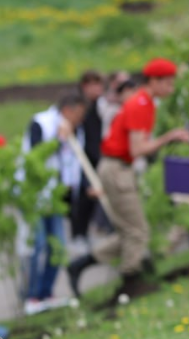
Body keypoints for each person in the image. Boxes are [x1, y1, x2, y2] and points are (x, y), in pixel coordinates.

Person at [68, 59, 189, 301]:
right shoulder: (141, 104)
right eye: (168, 83)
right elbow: (137, 149)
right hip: (117, 169)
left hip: (118, 168)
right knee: (137, 231)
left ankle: (82, 264)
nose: (171, 88)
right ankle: (129, 285)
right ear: (153, 82)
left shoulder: (143, 102)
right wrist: (170, 137)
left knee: (129, 231)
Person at [23, 94, 87, 315]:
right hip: (36, 193)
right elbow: (35, 155)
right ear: (69, 110)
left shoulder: (75, 129)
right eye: (79, 114)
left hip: (56, 196)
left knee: (57, 245)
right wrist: (58, 140)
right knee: (39, 245)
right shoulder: (41, 123)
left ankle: (46, 293)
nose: (81, 119)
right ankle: (31, 296)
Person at [72, 70, 105, 248]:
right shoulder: (81, 106)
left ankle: (84, 234)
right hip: (81, 158)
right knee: (82, 198)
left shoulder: (99, 106)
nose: (98, 89)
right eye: (94, 85)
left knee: (92, 198)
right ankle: (78, 235)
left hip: (95, 156)